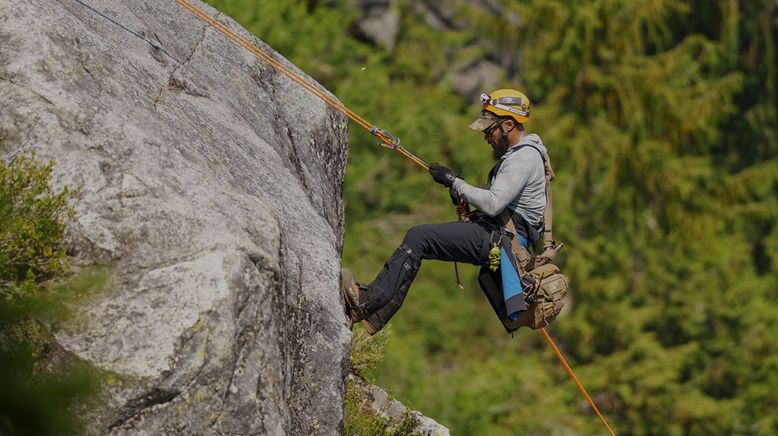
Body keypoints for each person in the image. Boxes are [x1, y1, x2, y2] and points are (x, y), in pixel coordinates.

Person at [341, 89, 550, 335]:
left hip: (499, 245)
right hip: (500, 244)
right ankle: (373, 315)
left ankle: (368, 303)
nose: (486, 137)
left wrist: (454, 182)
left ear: (508, 125)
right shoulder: (525, 155)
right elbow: (503, 204)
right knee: (422, 241)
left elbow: (494, 203)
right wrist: (461, 192)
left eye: (489, 130)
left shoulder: (522, 159)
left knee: (420, 238)